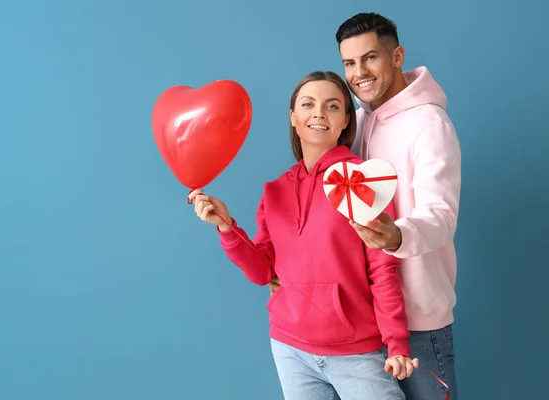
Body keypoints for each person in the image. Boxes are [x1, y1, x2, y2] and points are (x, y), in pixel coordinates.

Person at [189, 71, 419, 400]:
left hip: (357, 353)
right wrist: (227, 227)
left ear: (345, 122)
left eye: (333, 106)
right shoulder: (275, 191)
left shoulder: (362, 182)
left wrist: (397, 343)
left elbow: (383, 269)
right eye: (308, 104)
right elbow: (263, 271)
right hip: (289, 349)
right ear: (293, 118)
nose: (319, 113)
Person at [337, 12, 461, 400]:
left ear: (397, 56)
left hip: (420, 322)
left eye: (370, 58)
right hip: (364, 319)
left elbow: (440, 215)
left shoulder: (430, 125)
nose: (359, 73)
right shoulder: (354, 124)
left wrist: (396, 235)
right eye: (349, 63)